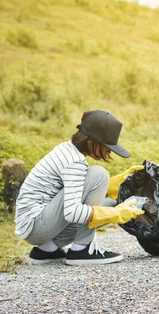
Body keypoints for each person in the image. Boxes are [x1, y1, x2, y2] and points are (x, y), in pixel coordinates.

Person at [15, 110, 145, 266]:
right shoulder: (74, 162)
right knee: (99, 174)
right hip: (36, 224)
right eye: (106, 146)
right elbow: (72, 212)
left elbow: (74, 190)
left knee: (110, 204)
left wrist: (115, 186)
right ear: (90, 141)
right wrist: (116, 214)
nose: (109, 151)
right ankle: (82, 249)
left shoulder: (68, 150)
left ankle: (47, 249)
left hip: (36, 224)